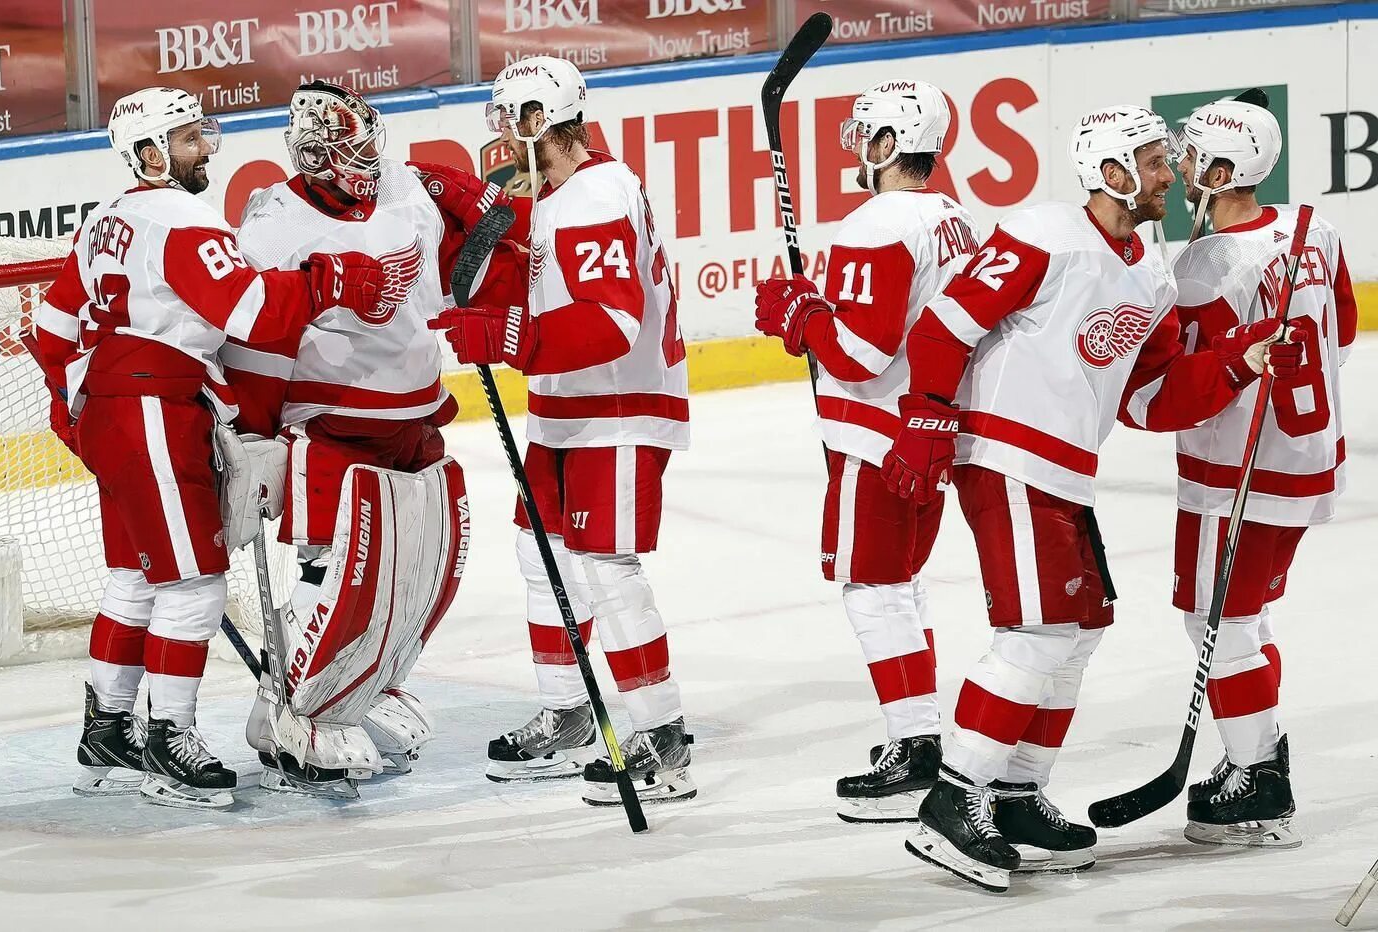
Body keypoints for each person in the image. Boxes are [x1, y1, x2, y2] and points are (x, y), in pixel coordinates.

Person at [882, 105, 1301, 891]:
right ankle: (954, 796)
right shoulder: (1043, 233)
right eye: (1151, 161)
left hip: (1065, 471)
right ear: (1110, 173)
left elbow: (1151, 396)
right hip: (1007, 457)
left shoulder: (1150, 265)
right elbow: (942, 328)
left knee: (1079, 632)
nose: (1169, 172)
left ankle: (1013, 793)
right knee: (1039, 632)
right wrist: (929, 414)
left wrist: (1239, 361)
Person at [29, 86, 385, 809]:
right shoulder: (182, 218)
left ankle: (107, 730)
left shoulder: (104, 220)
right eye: (190, 138)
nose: (207, 149)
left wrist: (76, 408)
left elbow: (49, 326)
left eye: (204, 133)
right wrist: (328, 280)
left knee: (136, 578)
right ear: (151, 153)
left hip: (116, 406)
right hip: (155, 407)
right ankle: (169, 742)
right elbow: (251, 313)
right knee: (193, 586)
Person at [429, 56, 694, 805]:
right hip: (570, 408)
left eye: (510, 127)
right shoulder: (566, 196)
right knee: (537, 551)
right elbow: (543, 289)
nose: (504, 146)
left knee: (603, 566)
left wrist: (509, 338)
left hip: (616, 407)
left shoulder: (596, 195)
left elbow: (612, 322)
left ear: (538, 121)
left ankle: (660, 732)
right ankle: (570, 708)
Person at [224, 81, 486, 797]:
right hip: (332, 426)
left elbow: (441, 293)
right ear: (317, 156)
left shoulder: (402, 189)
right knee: (338, 572)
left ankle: (365, 682)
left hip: (415, 418)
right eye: (356, 148)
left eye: (373, 141)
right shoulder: (274, 223)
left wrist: (478, 223)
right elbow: (256, 336)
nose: (374, 157)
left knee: (429, 568)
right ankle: (294, 708)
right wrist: (253, 433)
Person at [750, 80, 980, 823]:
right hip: (927, 432)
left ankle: (914, 745)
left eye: (866, 136)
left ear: (888, 146)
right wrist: (820, 311)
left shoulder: (876, 221)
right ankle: (919, 738)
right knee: (902, 586)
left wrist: (801, 318)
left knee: (872, 588)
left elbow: (858, 353)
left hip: (877, 436)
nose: (857, 148)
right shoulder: (955, 219)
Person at [1168, 94, 1355, 848]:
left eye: (1191, 157)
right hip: (1309, 465)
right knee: (1249, 614)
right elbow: (1339, 333)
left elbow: (1187, 386)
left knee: (1217, 621)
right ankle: (1259, 747)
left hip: (1238, 474)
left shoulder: (1204, 267)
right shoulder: (1318, 230)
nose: (1181, 169)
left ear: (1222, 169)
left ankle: (1258, 780)